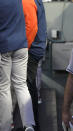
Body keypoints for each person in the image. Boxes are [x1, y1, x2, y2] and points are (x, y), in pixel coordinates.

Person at [0, 0, 35, 131]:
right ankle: (29, 124)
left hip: (5, 47)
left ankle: (5, 127)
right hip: (21, 45)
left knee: (4, 88)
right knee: (21, 85)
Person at [22, 0, 47, 130]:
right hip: (35, 47)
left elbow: (31, 26)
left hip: (30, 49)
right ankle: (32, 124)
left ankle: (31, 125)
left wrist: (21, 49)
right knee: (28, 86)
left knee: (26, 87)